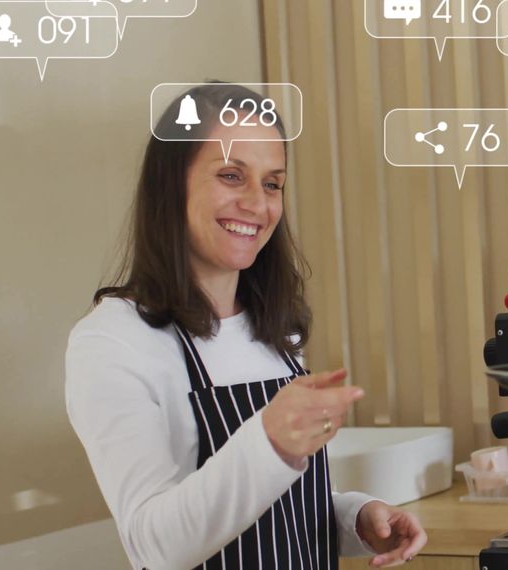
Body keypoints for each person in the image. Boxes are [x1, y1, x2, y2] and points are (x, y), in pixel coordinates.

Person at [66, 83, 427, 570]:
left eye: (272, 183)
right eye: (232, 175)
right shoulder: (114, 340)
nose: (258, 205)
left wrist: (355, 517)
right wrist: (272, 440)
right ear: (171, 185)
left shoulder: (276, 333)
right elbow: (154, 544)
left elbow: (282, 505)